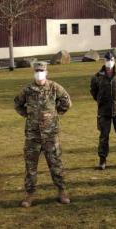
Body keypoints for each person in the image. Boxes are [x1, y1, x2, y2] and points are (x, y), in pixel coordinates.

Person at [14, 62, 72, 207]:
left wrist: (55, 114)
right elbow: (17, 104)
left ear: (46, 72)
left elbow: (67, 102)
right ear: (34, 72)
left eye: (42, 70)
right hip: (33, 135)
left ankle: (62, 191)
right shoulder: (27, 90)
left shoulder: (54, 87)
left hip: (50, 134)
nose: (39, 73)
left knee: (56, 163)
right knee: (30, 166)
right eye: (37, 70)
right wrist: (27, 115)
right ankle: (30, 194)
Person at [90, 51, 116, 170]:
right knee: (104, 136)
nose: (109, 62)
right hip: (104, 111)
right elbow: (94, 92)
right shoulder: (97, 77)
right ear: (104, 61)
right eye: (107, 60)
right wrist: (101, 101)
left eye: (111, 60)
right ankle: (102, 160)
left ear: (114, 61)